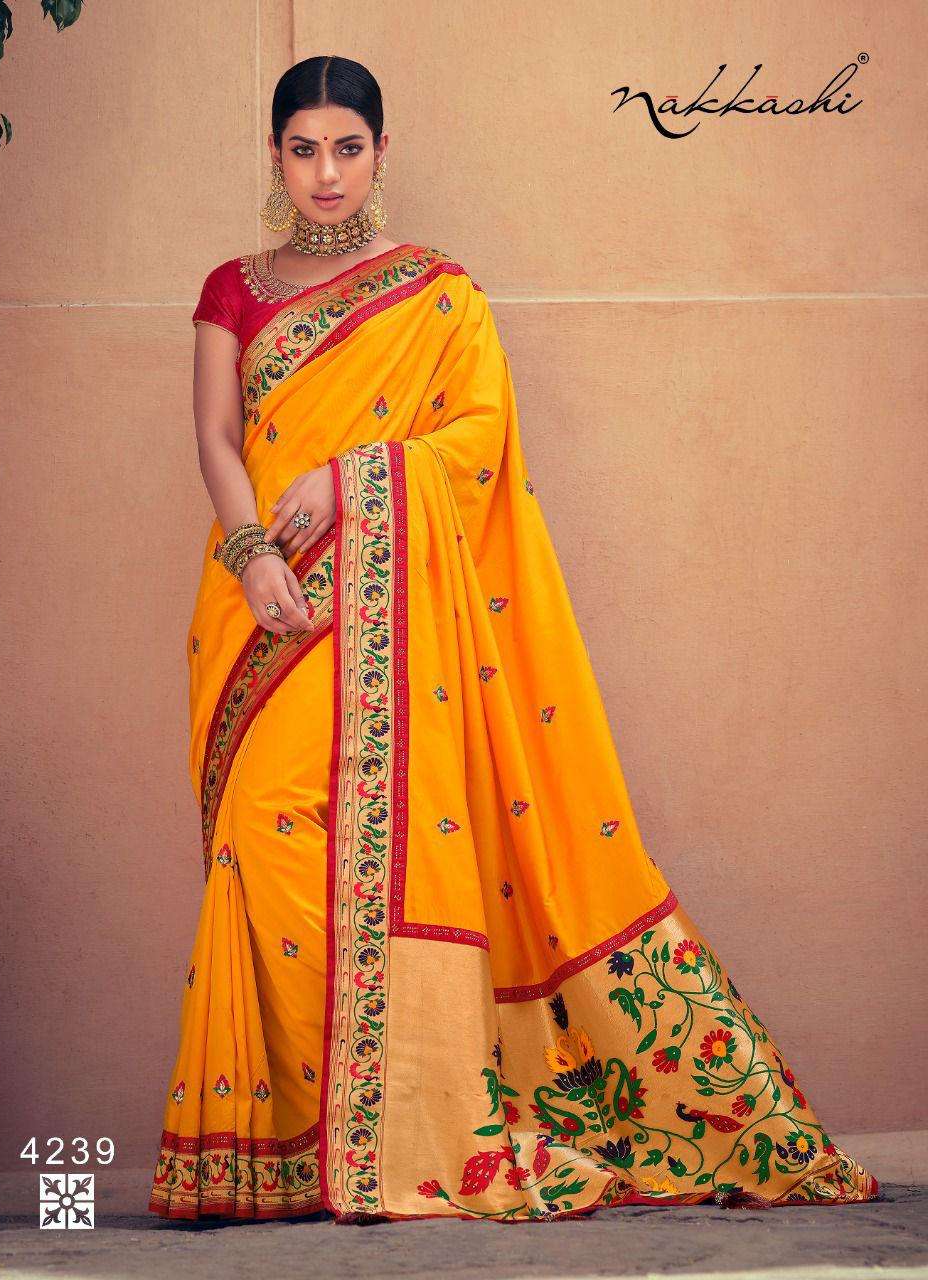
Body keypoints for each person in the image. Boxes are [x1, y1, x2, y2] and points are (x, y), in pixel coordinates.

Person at [148, 55, 879, 1224]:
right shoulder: (232, 289)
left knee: (379, 844)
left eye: (348, 147)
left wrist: (356, 477)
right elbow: (216, 439)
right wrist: (255, 556)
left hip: (392, 606)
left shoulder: (440, 294)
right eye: (304, 148)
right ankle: (309, 1142)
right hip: (262, 605)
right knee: (260, 835)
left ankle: (395, 1124)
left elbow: (478, 440)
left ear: (381, 153)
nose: (327, 172)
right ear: (275, 156)